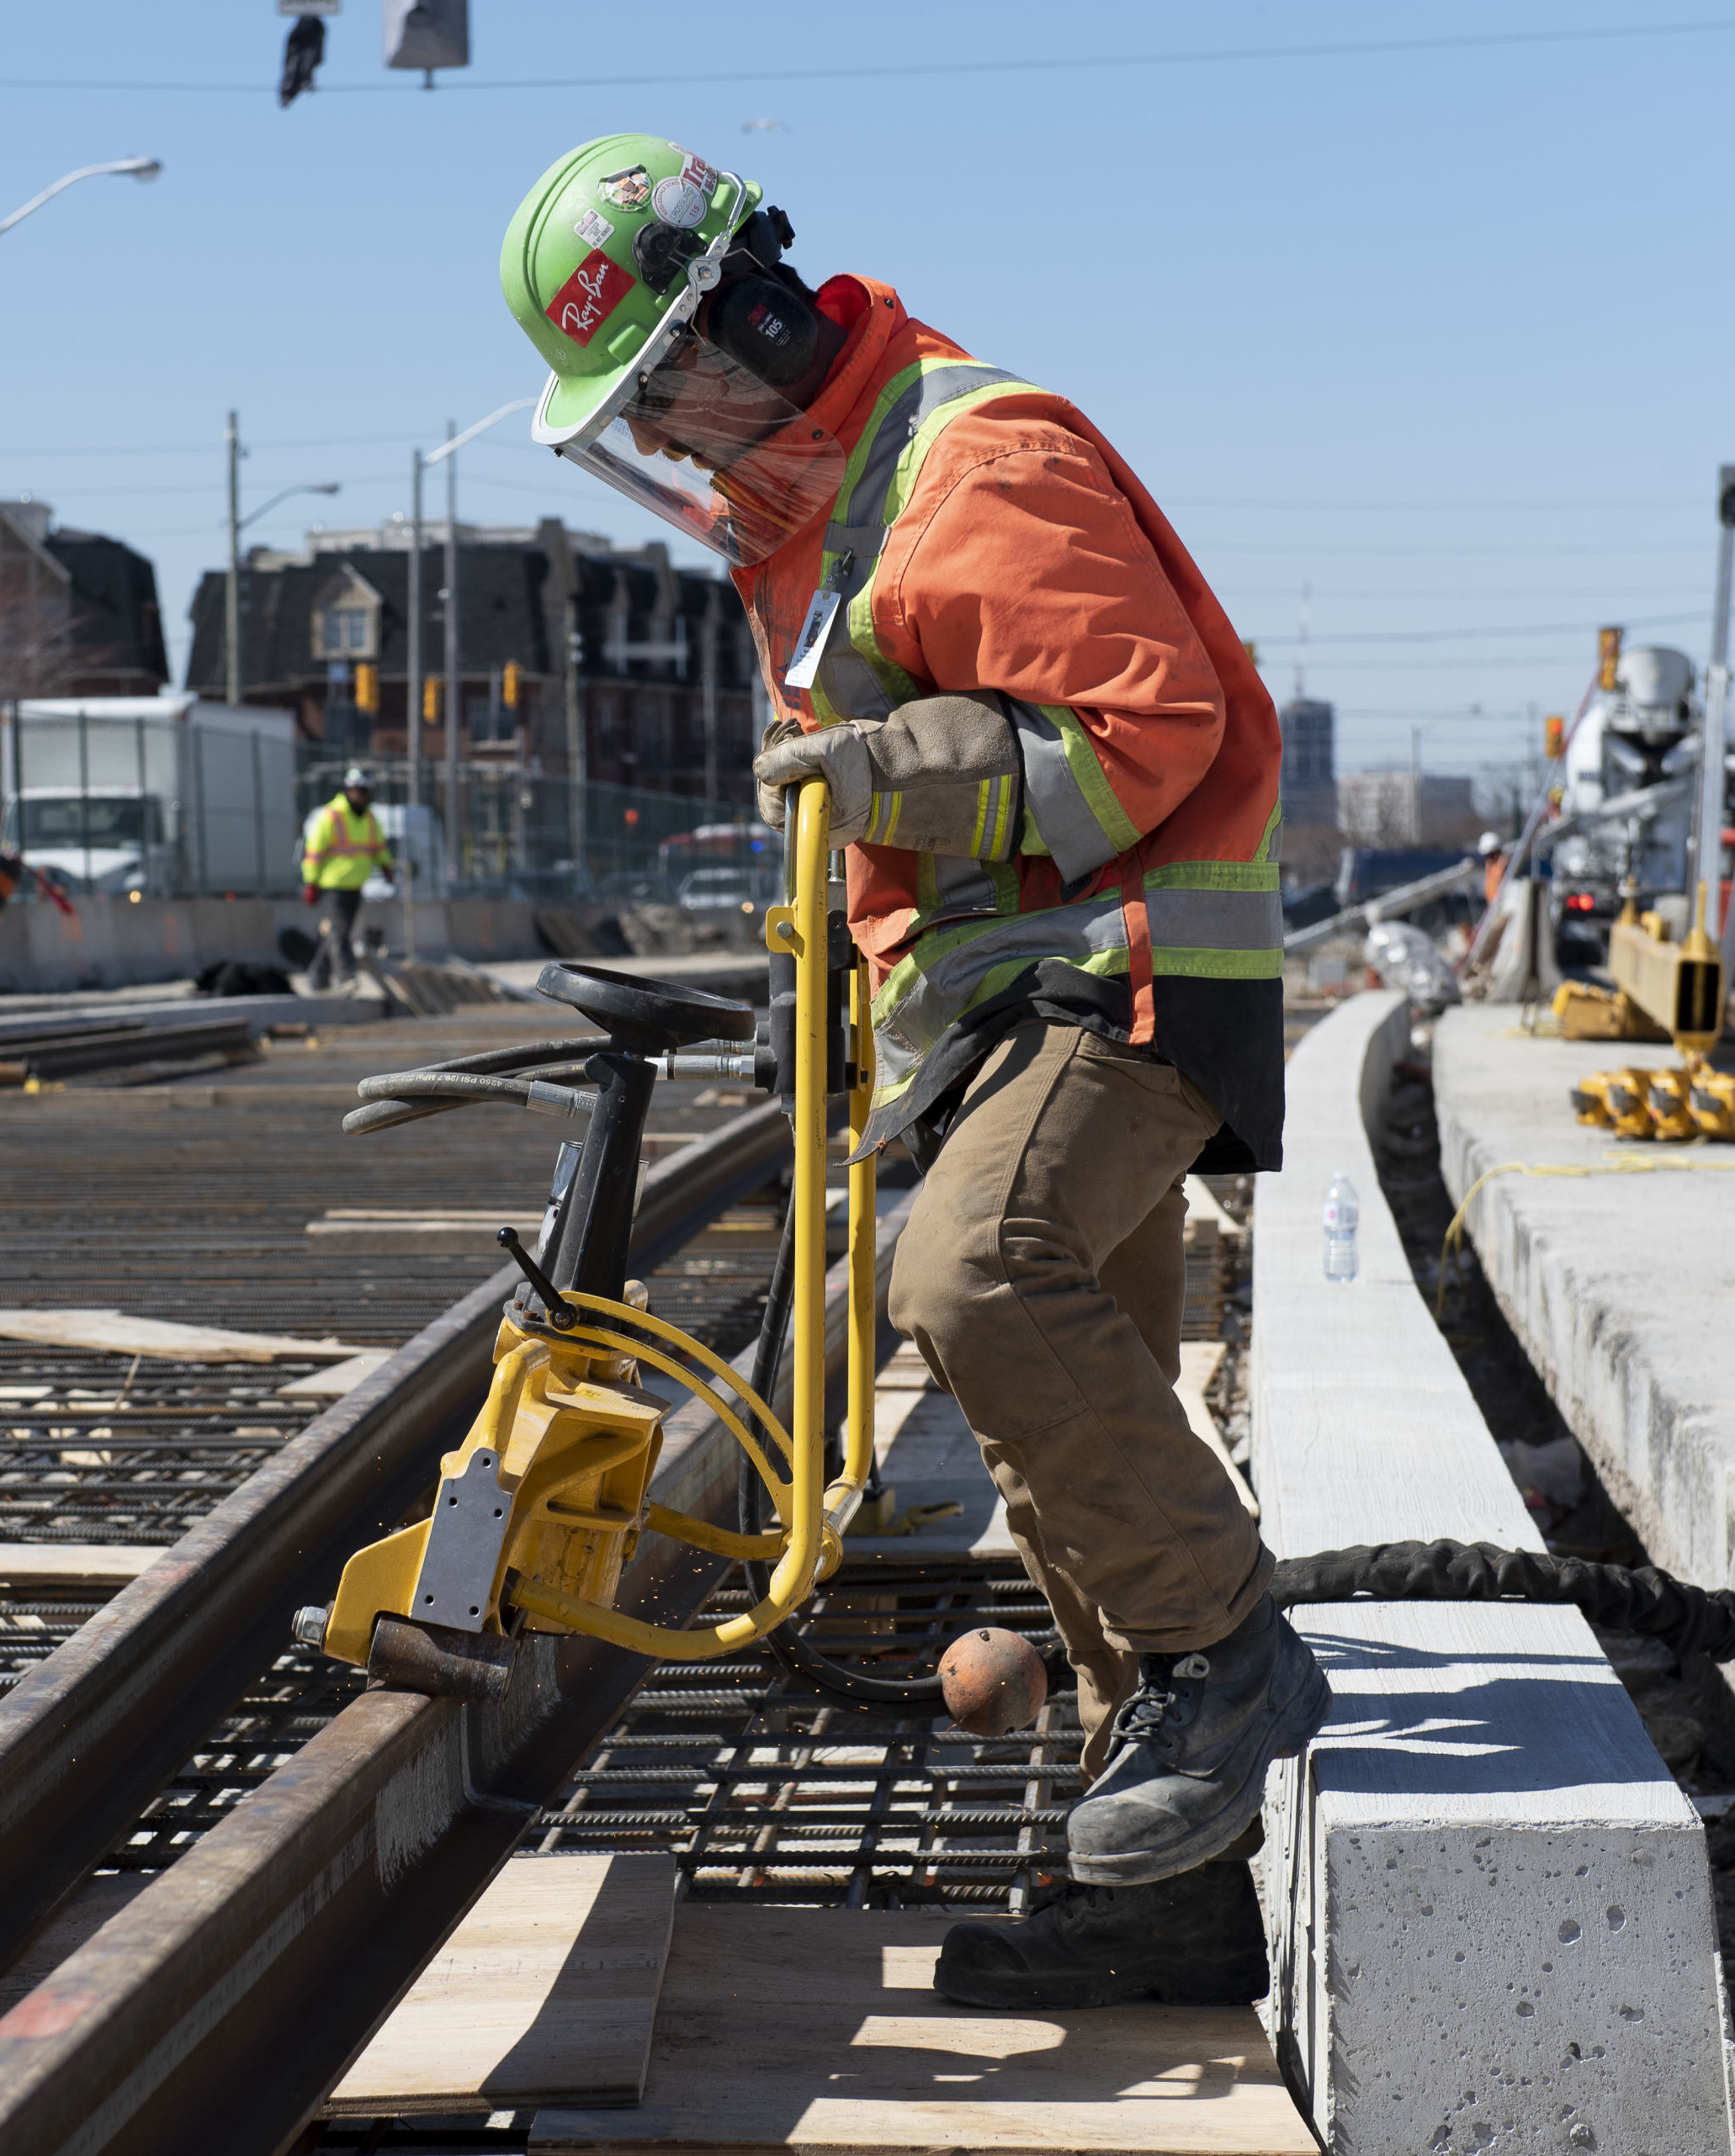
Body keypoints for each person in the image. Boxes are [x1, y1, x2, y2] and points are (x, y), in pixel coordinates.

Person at [500, 135, 1318, 2008]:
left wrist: (906, 771)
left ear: (743, 323)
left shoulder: (977, 458)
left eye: (670, 399)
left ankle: (1228, 1651)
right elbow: (865, 851)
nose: (682, 448)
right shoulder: (810, 529)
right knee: (1056, 1446)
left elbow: (1150, 731)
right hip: (996, 1007)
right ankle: (1172, 1885)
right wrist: (815, 995)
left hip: (1124, 975)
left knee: (967, 1270)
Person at [299, 768, 393, 989]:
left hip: (356, 884)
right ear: (349, 790)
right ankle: (346, 977)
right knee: (340, 933)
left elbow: (378, 846)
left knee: (338, 932)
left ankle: (317, 978)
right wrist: (311, 882)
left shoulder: (369, 819)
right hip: (334, 886)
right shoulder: (331, 816)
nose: (363, 796)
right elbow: (314, 852)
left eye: (366, 792)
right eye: (360, 791)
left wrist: (386, 865)